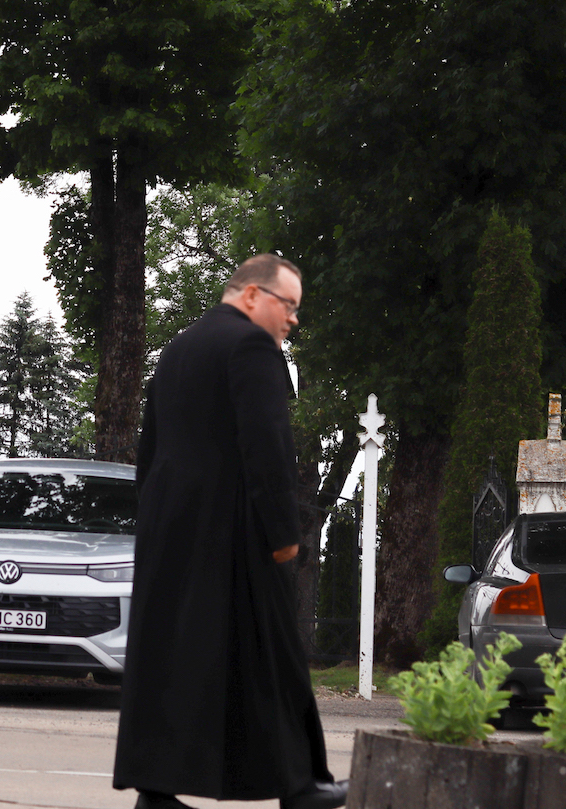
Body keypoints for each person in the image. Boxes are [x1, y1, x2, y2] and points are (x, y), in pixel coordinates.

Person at [113, 254, 346, 809]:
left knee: (174, 656)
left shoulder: (178, 348)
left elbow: (150, 447)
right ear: (252, 295)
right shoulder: (252, 346)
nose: (292, 319)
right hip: (236, 528)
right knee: (274, 651)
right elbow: (268, 445)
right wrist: (284, 534)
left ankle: (156, 792)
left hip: (170, 528)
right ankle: (300, 786)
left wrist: (154, 518)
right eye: (288, 305)